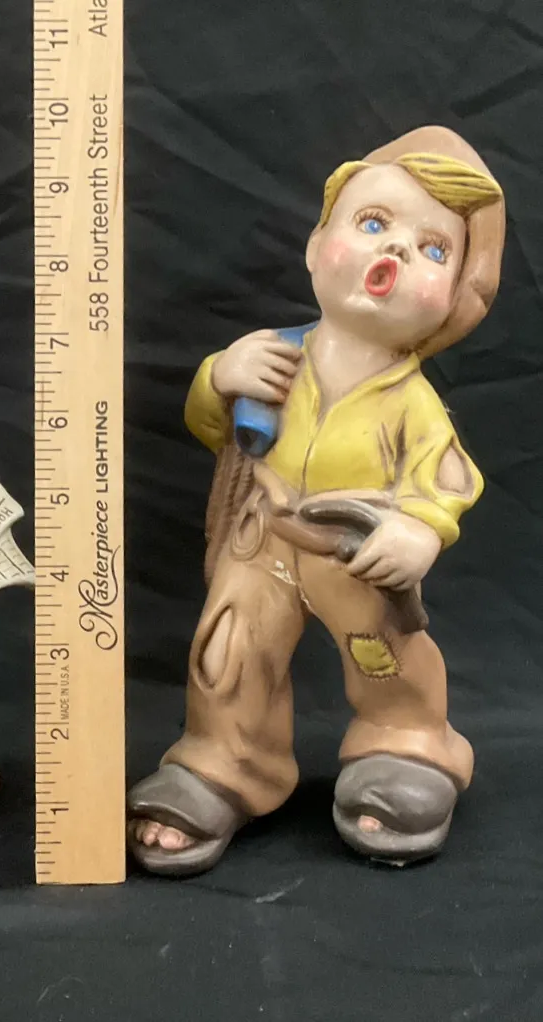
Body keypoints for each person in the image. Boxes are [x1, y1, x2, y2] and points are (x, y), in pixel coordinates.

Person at [127, 125, 506, 876]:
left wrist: (419, 531)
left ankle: (407, 749)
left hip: (355, 550)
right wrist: (221, 377)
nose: (395, 250)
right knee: (229, 652)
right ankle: (223, 762)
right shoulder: (275, 358)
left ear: (454, 301)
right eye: (373, 222)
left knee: (385, 657)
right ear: (314, 246)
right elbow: (214, 428)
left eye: (434, 249)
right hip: (262, 538)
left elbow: (446, 478)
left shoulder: (410, 402)